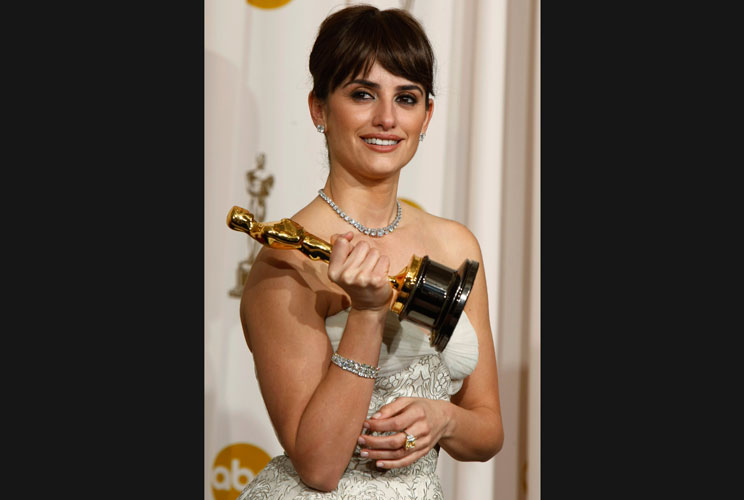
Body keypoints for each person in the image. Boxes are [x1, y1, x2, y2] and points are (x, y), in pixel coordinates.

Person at [237, 5, 503, 498]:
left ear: (427, 115)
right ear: (319, 108)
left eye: (406, 97)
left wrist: (443, 419)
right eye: (362, 94)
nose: (386, 118)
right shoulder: (287, 260)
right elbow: (319, 466)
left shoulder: (456, 243)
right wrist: (365, 314)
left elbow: (487, 429)